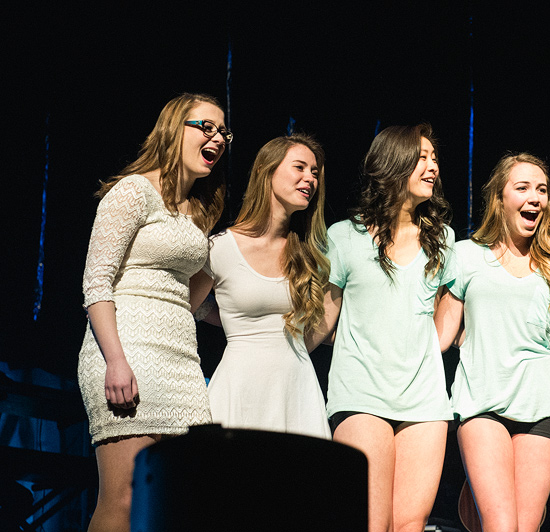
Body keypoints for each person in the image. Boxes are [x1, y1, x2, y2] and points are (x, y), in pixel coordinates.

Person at [77, 93, 229, 532]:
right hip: (128, 352)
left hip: (181, 363)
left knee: (180, 501)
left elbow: (188, 297)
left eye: (223, 132)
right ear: (173, 128)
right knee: (123, 499)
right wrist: (116, 361)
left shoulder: (198, 212)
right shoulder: (132, 192)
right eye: (206, 127)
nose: (217, 138)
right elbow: (96, 283)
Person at [306, 124, 455, 532]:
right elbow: (323, 319)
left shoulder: (443, 239)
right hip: (361, 393)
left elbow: (446, 315)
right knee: (370, 520)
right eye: (421, 157)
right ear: (393, 163)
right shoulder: (345, 236)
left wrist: (423, 351)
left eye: (434, 158)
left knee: (411, 523)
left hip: (424, 399)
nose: (432, 167)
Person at [434, 153, 550, 532]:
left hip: (542, 406)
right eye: (522, 188)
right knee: (501, 524)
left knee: (526, 526)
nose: (535, 197)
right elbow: (439, 337)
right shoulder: (466, 256)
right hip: (482, 402)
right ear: (499, 199)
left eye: (542, 190)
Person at [189, 133, 331, 439]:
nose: (310, 178)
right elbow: (181, 308)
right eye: (300, 167)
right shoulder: (221, 248)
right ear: (266, 170)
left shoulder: (309, 253)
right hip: (240, 388)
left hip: (297, 389)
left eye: (315, 173)